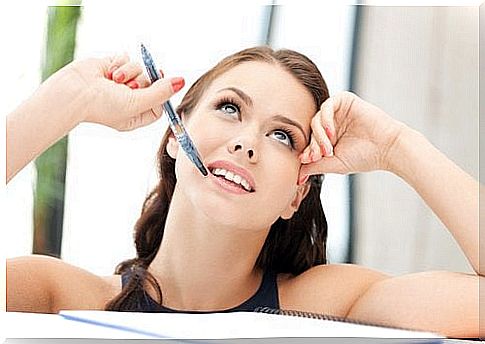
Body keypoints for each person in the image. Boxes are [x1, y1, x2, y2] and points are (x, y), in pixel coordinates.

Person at [6, 46, 479, 338]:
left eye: (282, 136)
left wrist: (400, 147)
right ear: (175, 134)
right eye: (230, 108)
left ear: (298, 193)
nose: (246, 143)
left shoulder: (328, 306)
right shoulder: (60, 298)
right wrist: (63, 102)